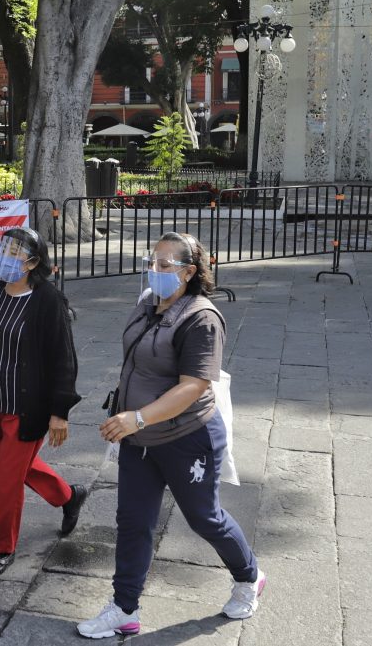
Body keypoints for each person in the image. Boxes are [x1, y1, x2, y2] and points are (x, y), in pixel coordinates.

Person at [77, 232, 263, 639]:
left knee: (204, 518)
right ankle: (124, 608)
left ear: (189, 272)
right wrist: (131, 419)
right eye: (152, 261)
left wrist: (138, 418)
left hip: (187, 436)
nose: (154, 270)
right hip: (139, 438)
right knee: (132, 521)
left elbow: (194, 385)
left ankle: (249, 576)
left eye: (165, 265)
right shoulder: (147, 303)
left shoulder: (202, 317)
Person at [0, 227, 88, 578]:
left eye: (15, 252)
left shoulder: (47, 301)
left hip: (28, 408)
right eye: (4, 249)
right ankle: (69, 497)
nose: (6, 256)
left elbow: (64, 360)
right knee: (21, 467)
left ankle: (0, 548)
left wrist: (60, 413)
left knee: (8, 478)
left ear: (33, 262)